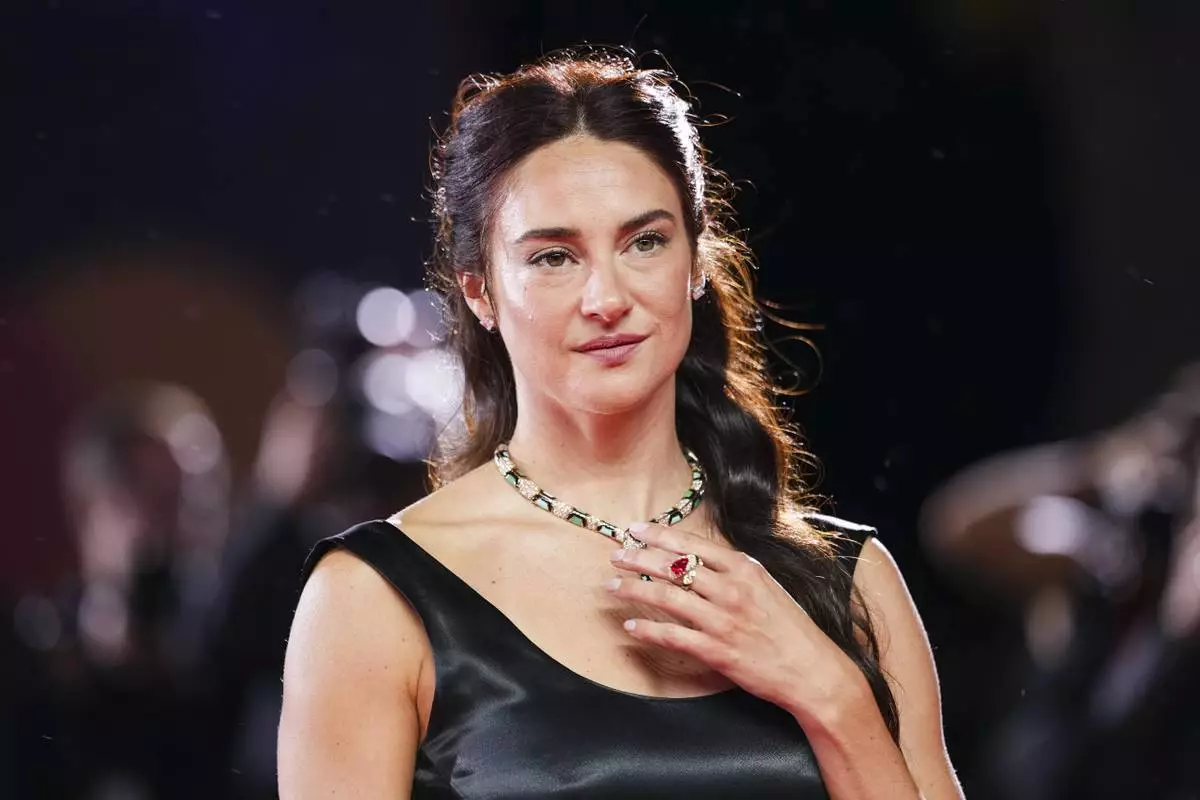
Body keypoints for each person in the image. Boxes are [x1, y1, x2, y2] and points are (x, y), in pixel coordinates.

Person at [279, 49, 962, 799]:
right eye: (553, 257)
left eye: (644, 242)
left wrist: (831, 695)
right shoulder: (374, 597)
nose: (606, 297)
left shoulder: (849, 580)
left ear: (697, 260)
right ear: (479, 291)